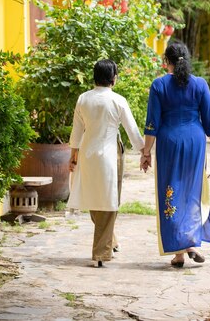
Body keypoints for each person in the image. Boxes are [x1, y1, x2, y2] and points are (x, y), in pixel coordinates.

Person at [140, 42, 210, 268]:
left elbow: (152, 124)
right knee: (192, 190)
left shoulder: (159, 85)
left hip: (169, 141)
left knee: (170, 192)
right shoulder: (200, 84)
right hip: (194, 141)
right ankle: (192, 243)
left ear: (166, 61)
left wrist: (146, 152)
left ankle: (178, 253)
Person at [67, 59, 144, 267]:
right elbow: (132, 131)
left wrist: (73, 155)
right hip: (110, 155)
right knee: (110, 201)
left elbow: (76, 130)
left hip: (87, 153)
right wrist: (144, 151)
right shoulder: (118, 100)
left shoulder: (83, 99)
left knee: (94, 197)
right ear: (114, 78)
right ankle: (101, 253)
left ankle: (112, 239)